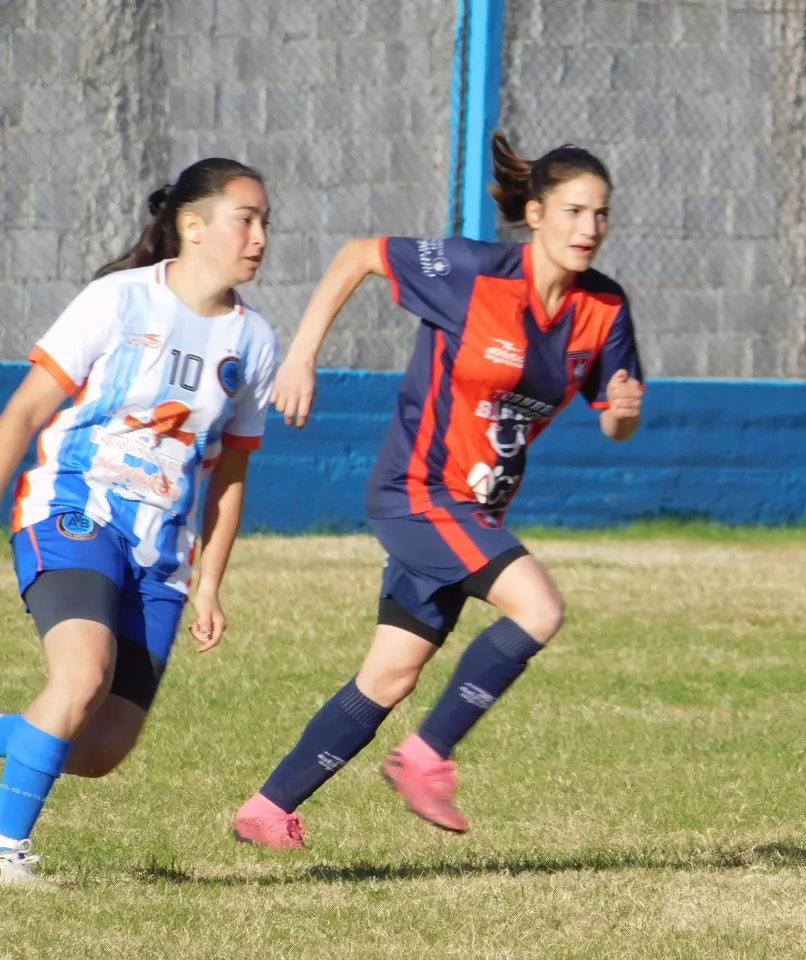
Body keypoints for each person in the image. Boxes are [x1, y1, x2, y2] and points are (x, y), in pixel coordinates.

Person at [233, 132, 644, 848]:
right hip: (418, 494)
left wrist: (623, 413)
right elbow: (360, 254)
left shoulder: (604, 308)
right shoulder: (473, 272)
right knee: (539, 608)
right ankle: (425, 758)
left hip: (471, 513)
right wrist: (300, 356)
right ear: (537, 213)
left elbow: (613, 425)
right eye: (575, 211)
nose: (590, 229)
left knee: (389, 677)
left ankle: (268, 807)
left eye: (601, 214)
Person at [0, 158, 277, 884]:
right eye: (244, 219)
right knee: (81, 675)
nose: (259, 237)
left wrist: (210, 581)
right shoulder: (118, 301)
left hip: (162, 556)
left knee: (97, 750)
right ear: (192, 225)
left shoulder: (254, 344)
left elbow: (231, 475)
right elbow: (26, 409)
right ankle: (6, 854)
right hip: (72, 511)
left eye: (265, 223)